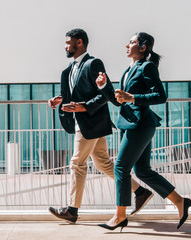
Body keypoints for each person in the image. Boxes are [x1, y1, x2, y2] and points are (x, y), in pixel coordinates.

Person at [48, 28, 153, 224]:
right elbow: (74, 96)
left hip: (91, 121)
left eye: (68, 42)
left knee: (77, 164)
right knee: (103, 164)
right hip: (84, 123)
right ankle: (140, 191)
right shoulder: (69, 70)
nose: (65, 46)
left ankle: (72, 210)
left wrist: (84, 107)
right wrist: (59, 100)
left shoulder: (93, 63)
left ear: (79, 43)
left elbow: (105, 95)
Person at [96, 32, 191, 231]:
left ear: (143, 47)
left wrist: (132, 97)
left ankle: (120, 216)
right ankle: (180, 201)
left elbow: (160, 96)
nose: (126, 45)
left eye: (131, 42)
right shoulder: (129, 69)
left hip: (140, 125)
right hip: (129, 124)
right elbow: (119, 100)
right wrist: (105, 87)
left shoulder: (147, 67)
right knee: (142, 171)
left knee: (120, 167)